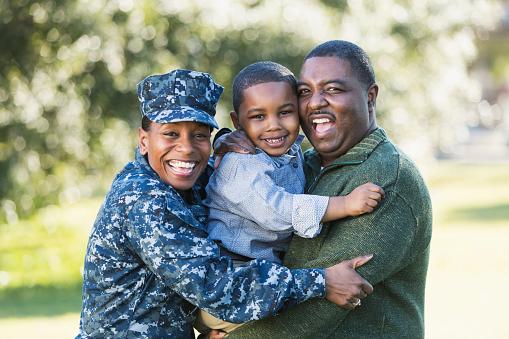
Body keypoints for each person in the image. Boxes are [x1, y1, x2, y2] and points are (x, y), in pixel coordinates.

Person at [76, 68, 375, 339]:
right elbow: (216, 287)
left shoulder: (191, 177)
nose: (186, 148)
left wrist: (226, 141)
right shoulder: (145, 199)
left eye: (199, 135)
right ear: (143, 141)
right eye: (170, 134)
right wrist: (321, 281)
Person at [219, 40, 432, 338]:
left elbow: (318, 305)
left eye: (333, 89)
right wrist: (226, 143)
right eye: (305, 92)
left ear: (370, 97)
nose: (315, 102)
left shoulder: (386, 177)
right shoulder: (302, 165)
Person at [194, 62, 384, 334]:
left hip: (264, 276)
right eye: (259, 117)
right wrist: (344, 204)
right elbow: (279, 211)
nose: (274, 126)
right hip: (233, 282)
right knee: (297, 316)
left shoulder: (289, 149)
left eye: (285, 112)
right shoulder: (240, 166)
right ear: (238, 123)